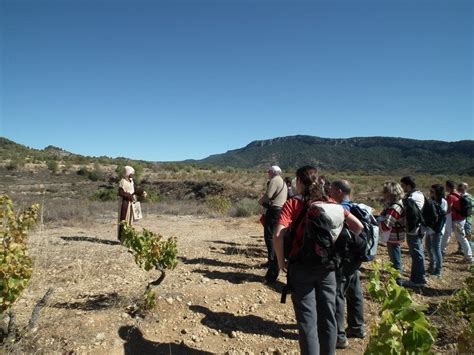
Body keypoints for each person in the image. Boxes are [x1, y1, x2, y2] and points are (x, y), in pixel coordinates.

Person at [273, 166, 363, 355]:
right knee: (328, 316)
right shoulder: (331, 204)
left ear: (299, 181)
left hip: (301, 266)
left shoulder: (294, 203)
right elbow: (358, 226)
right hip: (328, 267)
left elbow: (278, 235)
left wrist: (281, 262)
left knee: (307, 320)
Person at [330, 180, 366, 349]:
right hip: (356, 257)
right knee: (355, 290)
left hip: (344, 258)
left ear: (338, 191)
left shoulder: (341, 209)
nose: (328, 192)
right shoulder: (357, 206)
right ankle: (357, 327)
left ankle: (339, 336)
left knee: (338, 294)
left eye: (331, 189)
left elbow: (356, 228)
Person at [258, 165, 288, 282]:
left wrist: (260, 201)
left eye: (269, 171)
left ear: (273, 172)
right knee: (274, 236)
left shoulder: (274, 181)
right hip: (280, 211)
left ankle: (272, 261)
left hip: (274, 211)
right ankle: (273, 260)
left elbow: (268, 196)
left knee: (269, 236)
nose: (267, 173)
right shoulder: (283, 181)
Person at [399, 176, 426, 287]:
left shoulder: (412, 197)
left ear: (408, 185)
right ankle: (419, 277)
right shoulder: (419, 194)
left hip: (413, 229)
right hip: (418, 228)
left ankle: (417, 280)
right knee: (418, 252)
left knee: (417, 253)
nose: (402, 188)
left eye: (403, 185)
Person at [379, 182, 405, 280]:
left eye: (385, 191)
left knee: (396, 262)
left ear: (391, 193)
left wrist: (376, 223)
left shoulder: (395, 207)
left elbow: (386, 225)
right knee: (395, 260)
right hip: (394, 236)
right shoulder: (396, 204)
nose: (383, 193)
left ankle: (398, 282)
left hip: (394, 237)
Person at [441, 181, 473, 263]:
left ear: (448, 187)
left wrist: (442, 215)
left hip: (456, 220)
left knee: (461, 238)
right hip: (461, 219)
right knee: (447, 235)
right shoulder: (459, 194)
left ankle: (469, 257)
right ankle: (441, 251)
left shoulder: (450, 196)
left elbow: (448, 209)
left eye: (446, 187)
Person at [424, 184, 447, 277]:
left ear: (437, 192)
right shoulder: (431, 201)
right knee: (428, 247)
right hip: (430, 229)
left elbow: (441, 215)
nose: (430, 193)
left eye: (432, 192)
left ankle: (438, 270)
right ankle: (431, 265)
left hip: (437, 230)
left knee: (436, 249)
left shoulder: (443, 202)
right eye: (430, 191)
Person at [117, 166, 146, 241]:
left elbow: (134, 190)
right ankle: (122, 238)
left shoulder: (131, 181)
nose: (132, 174)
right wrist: (130, 196)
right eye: (131, 173)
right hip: (125, 203)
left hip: (131, 203)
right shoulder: (122, 181)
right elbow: (121, 192)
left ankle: (128, 238)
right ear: (127, 173)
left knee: (129, 220)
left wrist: (142, 192)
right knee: (124, 220)